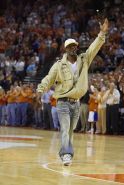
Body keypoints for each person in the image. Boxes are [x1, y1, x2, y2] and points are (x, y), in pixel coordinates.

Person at [37, 18, 109, 166]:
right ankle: (66, 154)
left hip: (76, 103)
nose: (72, 48)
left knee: (70, 131)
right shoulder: (58, 65)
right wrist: (40, 90)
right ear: (65, 49)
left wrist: (102, 33)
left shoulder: (84, 59)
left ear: (76, 47)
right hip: (62, 102)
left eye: (74, 45)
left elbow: (94, 48)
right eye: (69, 46)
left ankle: (65, 152)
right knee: (64, 129)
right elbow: (48, 79)